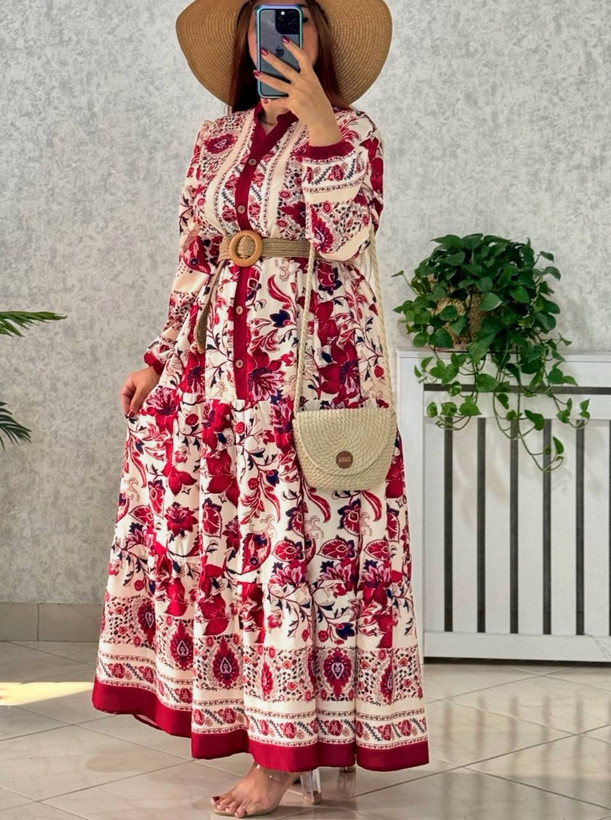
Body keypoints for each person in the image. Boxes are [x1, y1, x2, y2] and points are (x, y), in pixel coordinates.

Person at [91, 0, 430, 816]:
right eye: (265, 18)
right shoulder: (216, 138)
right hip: (218, 378)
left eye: (296, 17)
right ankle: (279, 740)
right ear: (246, 37)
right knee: (238, 556)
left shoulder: (355, 133)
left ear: (320, 37)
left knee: (310, 557)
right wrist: (157, 359)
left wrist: (320, 127)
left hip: (316, 377)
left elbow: (345, 239)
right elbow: (195, 256)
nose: (279, 33)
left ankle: (288, 759)